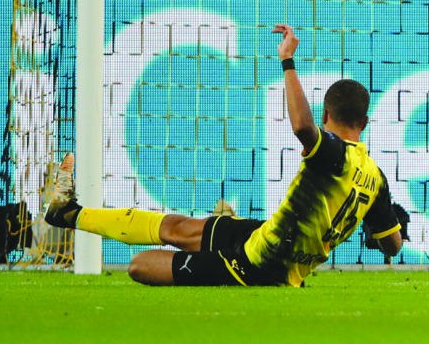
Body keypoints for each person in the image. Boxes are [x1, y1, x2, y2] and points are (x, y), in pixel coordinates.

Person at [43, 24, 403, 286]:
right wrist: (388, 229)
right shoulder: (376, 178)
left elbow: (302, 129)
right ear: (366, 121)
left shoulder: (334, 154)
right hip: (267, 236)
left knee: (139, 265)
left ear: (326, 115)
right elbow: (391, 245)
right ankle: (68, 214)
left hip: (262, 267)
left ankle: (210, 265)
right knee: (176, 227)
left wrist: (288, 62)